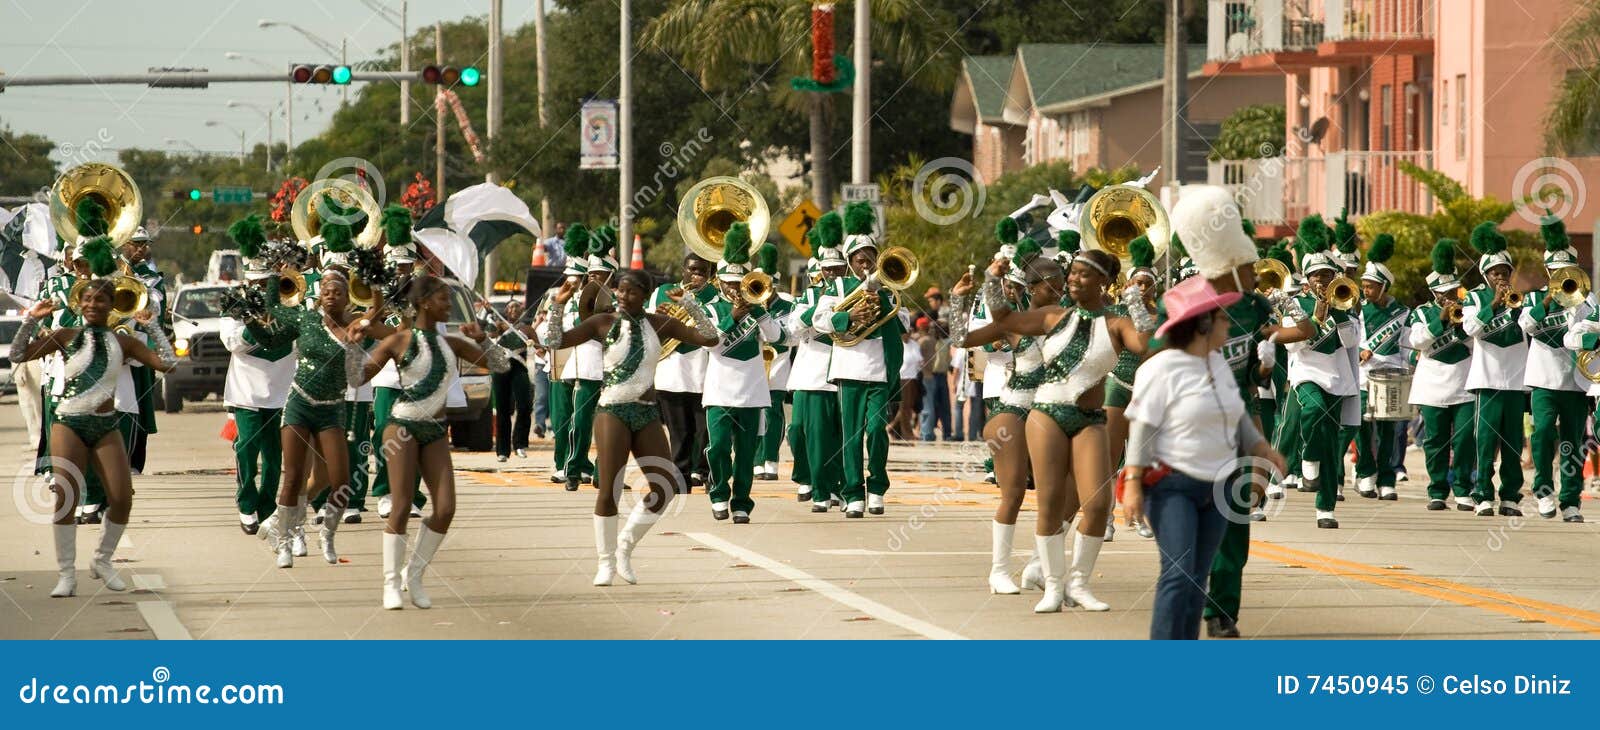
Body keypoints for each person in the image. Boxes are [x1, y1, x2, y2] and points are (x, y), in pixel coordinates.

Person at [978, 247, 1153, 612]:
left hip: (1090, 418)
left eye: (1083, 274)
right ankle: (1053, 588)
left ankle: (1079, 584)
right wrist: (992, 279)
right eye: (1071, 273)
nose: (1073, 279)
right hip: (1046, 415)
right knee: (1050, 502)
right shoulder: (1051, 316)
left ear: (1104, 282)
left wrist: (1136, 300)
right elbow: (1004, 318)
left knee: (1098, 502)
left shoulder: (1117, 323)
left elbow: (1144, 344)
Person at [9, 235, 178, 598]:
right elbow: (18, 355)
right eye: (86, 299)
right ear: (80, 302)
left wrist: (151, 328)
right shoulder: (66, 335)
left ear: (111, 304)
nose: (92, 304)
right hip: (68, 422)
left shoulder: (124, 341)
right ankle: (66, 574)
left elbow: (169, 364)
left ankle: (102, 558)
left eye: (100, 299)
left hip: (105, 424)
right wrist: (30, 321)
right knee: (65, 497)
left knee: (122, 497)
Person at [1122, 276, 1285, 640]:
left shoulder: (1217, 364)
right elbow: (1142, 429)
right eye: (1222, 317)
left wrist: (1262, 448)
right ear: (1203, 323)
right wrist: (1132, 484)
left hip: (1218, 487)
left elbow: (1238, 414)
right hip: (1172, 486)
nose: (1229, 322)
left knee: (1196, 578)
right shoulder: (1161, 368)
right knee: (1178, 573)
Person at [539, 269, 719, 584]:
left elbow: (710, 338)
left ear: (645, 296)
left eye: (631, 292)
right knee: (608, 488)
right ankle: (605, 563)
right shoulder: (602, 323)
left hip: (647, 412)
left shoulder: (659, 323)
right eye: (620, 291)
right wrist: (557, 306)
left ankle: (625, 545)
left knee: (664, 485)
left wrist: (690, 304)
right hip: (612, 411)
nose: (623, 297)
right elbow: (555, 341)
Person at [354, 274, 514, 609]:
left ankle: (415, 575)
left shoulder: (452, 342)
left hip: (436, 430)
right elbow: (356, 377)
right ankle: (391, 583)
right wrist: (353, 343)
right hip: (402, 427)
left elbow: (501, 365)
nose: (448, 305)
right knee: (399, 506)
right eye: (443, 299)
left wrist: (483, 339)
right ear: (425, 302)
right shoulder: (400, 340)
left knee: (445, 509)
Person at [949, 236, 1058, 596]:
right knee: (1013, 492)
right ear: (1032, 289)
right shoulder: (1015, 324)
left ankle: (1039, 567)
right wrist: (960, 298)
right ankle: (998, 571)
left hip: (1054, 415)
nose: (1058, 290)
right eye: (1049, 286)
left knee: (1060, 494)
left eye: (1061, 283)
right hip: (1014, 410)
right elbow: (961, 338)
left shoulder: (1072, 320)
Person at [813, 202, 909, 518]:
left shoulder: (889, 285)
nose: (865, 264)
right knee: (852, 433)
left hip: (879, 368)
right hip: (849, 366)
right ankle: (853, 492)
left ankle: (877, 487)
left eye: (870, 258)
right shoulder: (838, 285)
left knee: (877, 430)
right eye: (859, 259)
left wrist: (879, 298)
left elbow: (905, 322)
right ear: (851, 262)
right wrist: (848, 316)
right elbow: (819, 320)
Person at [1279, 219, 1361, 528]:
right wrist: (1314, 318)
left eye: (1327, 276)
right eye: (1316, 276)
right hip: (1307, 375)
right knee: (1311, 412)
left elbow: (1352, 341)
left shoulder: (1345, 303)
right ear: (1307, 280)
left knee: (1331, 444)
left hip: (1337, 379)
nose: (1322, 281)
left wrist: (1338, 312)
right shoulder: (1296, 305)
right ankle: (1307, 458)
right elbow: (1292, 348)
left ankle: (1325, 508)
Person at [700, 224, 780, 522]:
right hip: (719, 391)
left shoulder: (756, 305)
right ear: (719, 281)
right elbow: (711, 343)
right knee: (719, 447)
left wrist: (759, 310)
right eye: (729, 283)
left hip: (752, 391)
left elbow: (776, 336)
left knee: (746, 453)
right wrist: (731, 317)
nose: (735, 288)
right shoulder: (709, 308)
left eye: (739, 282)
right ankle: (719, 492)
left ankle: (742, 502)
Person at [220, 230, 295, 537]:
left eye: (268, 283)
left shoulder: (290, 303)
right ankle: (247, 504)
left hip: (282, 390)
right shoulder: (235, 304)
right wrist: (255, 325)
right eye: (258, 283)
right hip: (247, 391)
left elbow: (295, 342)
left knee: (275, 456)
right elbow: (231, 341)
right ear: (249, 282)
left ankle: (267, 507)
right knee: (247, 450)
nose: (263, 288)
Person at [1522, 213, 1588, 520]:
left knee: (1572, 442)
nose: (1562, 277)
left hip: (1575, 382)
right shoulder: (1534, 298)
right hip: (1543, 380)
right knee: (1544, 432)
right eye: (1556, 271)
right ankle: (1543, 490)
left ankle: (1571, 500)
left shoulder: (1586, 300)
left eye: (1567, 271)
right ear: (1548, 271)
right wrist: (1547, 301)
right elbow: (1526, 324)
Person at [1462, 222, 1528, 516]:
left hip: (1515, 381)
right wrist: (1494, 303)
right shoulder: (1474, 298)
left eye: (1505, 272)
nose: (1500, 277)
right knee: (1485, 441)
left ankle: (1511, 496)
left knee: (1513, 442)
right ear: (1485, 275)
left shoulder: (1522, 300)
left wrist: (1515, 308)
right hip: (1487, 380)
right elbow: (1471, 328)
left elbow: (1530, 329)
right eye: (1495, 273)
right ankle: (1482, 495)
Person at [1409, 239, 1476, 512]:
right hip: (1432, 387)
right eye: (1445, 292)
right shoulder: (1422, 313)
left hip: (1464, 384)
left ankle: (1463, 489)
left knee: (1464, 439)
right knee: (1435, 441)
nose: (1450, 296)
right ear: (1435, 294)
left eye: (1452, 290)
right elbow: (1418, 342)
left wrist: (1459, 324)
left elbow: (1474, 342)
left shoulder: (1467, 310)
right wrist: (1442, 319)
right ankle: (1437, 490)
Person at [789, 229, 848, 509]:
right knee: (798, 431)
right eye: (828, 269)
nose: (833, 274)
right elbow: (793, 324)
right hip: (809, 372)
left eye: (838, 268)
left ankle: (829, 487)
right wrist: (821, 311)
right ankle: (808, 476)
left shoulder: (852, 292)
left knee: (831, 435)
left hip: (840, 370)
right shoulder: (811, 295)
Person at [649, 252, 716, 491]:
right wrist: (662, 317)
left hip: (702, 369)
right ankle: (680, 476)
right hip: (671, 370)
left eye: (702, 272)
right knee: (679, 431)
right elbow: (650, 325)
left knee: (703, 430)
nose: (696, 275)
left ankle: (707, 472)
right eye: (693, 270)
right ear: (683, 270)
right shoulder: (663, 291)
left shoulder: (714, 295)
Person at [1354, 234, 1410, 500]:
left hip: (1392, 377)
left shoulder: (1402, 313)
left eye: (1371, 287)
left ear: (1384, 287)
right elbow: (1350, 339)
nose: (1366, 291)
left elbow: (1408, 347)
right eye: (1364, 286)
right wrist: (1359, 351)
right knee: (1363, 430)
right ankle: (1366, 474)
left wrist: (1407, 370)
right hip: (1364, 377)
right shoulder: (1359, 310)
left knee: (1389, 432)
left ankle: (1387, 479)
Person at [117, 226, 166, 475]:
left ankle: (135, 461)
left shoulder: (152, 277)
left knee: (140, 405)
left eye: (144, 244)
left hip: (139, 347)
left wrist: (138, 284)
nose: (141, 249)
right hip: (112, 346)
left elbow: (157, 310)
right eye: (135, 244)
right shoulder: (110, 269)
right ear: (123, 243)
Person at [548, 225, 590, 485]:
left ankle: (580, 462)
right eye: (569, 277)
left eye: (576, 278)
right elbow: (544, 330)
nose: (571, 282)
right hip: (559, 361)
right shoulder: (554, 296)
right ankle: (562, 462)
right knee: (562, 418)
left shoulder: (591, 298)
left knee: (582, 418)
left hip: (584, 363)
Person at [753, 242, 794, 481]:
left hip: (778, 363)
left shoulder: (788, 306)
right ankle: (757, 460)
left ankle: (771, 459)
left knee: (774, 413)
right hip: (754, 364)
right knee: (756, 413)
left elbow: (790, 336)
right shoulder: (751, 305)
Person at [490, 299, 534, 462]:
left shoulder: (527, 329)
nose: (514, 309)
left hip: (519, 367)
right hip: (501, 367)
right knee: (502, 408)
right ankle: (502, 450)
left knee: (524, 405)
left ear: (522, 310)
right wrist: (488, 312)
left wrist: (534, 344)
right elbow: (489, 333)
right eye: (510, 307)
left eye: (517, 306)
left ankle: (520, 444)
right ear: (506, 311)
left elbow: (538, 346)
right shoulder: (500, 326)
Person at [893, 330, 924, 441]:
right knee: (904, 407)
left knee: (909, 406)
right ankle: (906, 433)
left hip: (913, 378)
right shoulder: (898, 344)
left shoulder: (914, 344)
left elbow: (920, 360)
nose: (908, 334)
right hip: (902, 378)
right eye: (905, 332)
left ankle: (892, 428)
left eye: (909, 332)